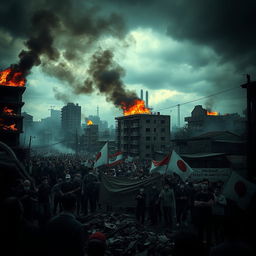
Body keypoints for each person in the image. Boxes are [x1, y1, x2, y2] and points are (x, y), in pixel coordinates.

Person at [193, 180, 214, 246]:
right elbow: (195, 204)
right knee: (200, 230)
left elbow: (211, 204)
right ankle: (200, 242)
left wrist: (201, 203)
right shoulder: (197, 194)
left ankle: (208, 243)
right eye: (203, 184)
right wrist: (206, 203)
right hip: (200, 215)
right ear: (201, 185)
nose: (204, 185)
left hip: (208, 215)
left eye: (206, 184)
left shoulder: (211, 194)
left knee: (208, 230)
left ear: (208, 185)